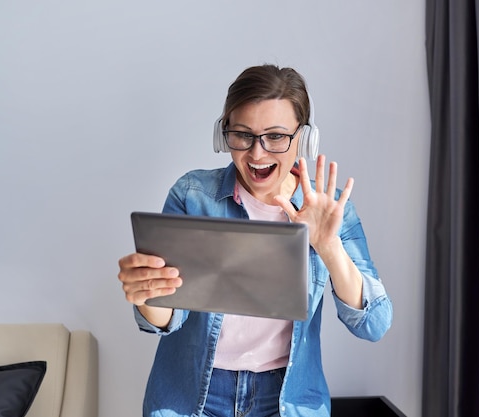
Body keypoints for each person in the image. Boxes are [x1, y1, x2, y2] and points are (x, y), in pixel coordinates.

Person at [118, 64, 393, 417]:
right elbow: (168, 318)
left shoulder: (332, 209)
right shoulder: (193, 196)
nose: (257, 154)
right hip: (192, 398)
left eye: (276, 136)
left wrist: (329, 246)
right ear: (224, 135)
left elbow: (375, 324)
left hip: (286, 399)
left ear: (305, 139)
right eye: (243, 135)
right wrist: (146, 293)